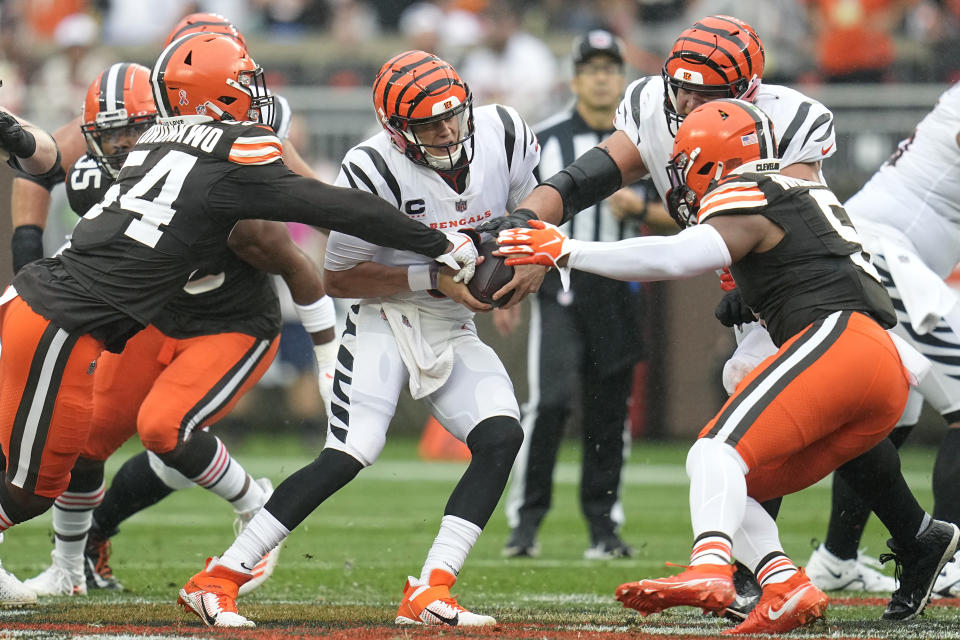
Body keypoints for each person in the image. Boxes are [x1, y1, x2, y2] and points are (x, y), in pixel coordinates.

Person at [0, 32, 476, 602]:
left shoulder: (154, 135)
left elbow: (46, 157)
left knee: (47, 468)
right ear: (214, 97)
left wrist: (11, 130)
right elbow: (333, 205)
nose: (255, 92)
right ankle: (86, 560)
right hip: (62, 323)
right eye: (242, 82)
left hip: (49, 311)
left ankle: (76, 570)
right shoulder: (230, 159)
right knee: (31, 491)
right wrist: (438, 244)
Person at [497, 98, 960, 634]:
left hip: (842, 341)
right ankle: (793, 579)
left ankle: (710, 567)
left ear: (709, 160)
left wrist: (565, 247)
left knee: (714, 451)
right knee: (731, 482)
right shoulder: (791, 186)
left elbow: (673, 258)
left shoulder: (751, 189)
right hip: (874, 362)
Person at [176, 49, 537, 629]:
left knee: (501, 435)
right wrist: (434, 277)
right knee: (352, 450)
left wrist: (528, 267)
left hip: (452, 324)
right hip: (383, 318)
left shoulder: (506, 133)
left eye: (452, 115)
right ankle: (219, 577)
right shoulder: (371, 166)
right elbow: (339, 277)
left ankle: (430, 589)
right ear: (397, 131)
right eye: (428, 123)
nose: (446, 130)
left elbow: (534, 221)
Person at [17, 61, 330, 597]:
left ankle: (258, 509)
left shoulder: (215, 179)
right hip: (153, 318)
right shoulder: (94, 183)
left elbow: (297, 263)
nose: (120, 146)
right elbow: (42, 165)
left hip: (230, 321)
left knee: (164, 428)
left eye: (132, 131)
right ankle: (70, 570)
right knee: (85, 436)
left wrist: (328, 360)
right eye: (107, 134)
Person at [803, 80, 960, 597]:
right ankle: (950, 559)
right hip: (886, 255)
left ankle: (836, 559)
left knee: (889, 415)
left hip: (879, 251)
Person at [502, 29, 647, 560]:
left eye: (612, 67)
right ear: (576, 78)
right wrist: (510, 277)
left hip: (618, 281)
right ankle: (527, 522)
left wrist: (642, 213)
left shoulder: (646, 138)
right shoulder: (544, 140)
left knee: (610, 410)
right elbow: (519, 209)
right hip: (557, 281)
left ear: (622, 78)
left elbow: (678, 213)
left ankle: (604, 526)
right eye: (593, 68)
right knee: (552, 402)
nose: (603, 76)